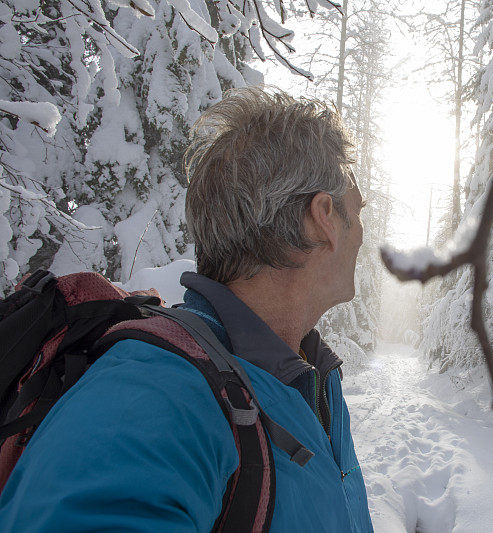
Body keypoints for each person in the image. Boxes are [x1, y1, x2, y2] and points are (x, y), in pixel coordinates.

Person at [0, 88, 374, 532]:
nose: (363, 233)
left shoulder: (307, 378)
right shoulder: (154, 391)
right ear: (323, 217)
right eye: (358, 209)